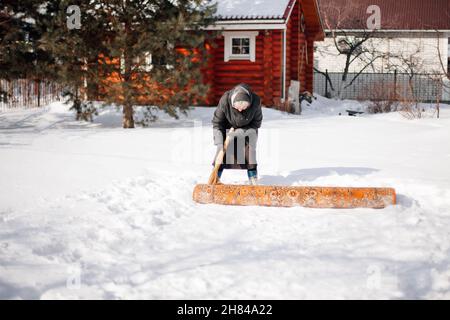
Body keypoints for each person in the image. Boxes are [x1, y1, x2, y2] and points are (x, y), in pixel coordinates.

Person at [212, 83, 263, 185]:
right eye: (237, 106)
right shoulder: (225, 100)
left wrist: (241, 132)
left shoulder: (255, 101)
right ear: (232, 103)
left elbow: (256, 123)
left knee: (250, 153)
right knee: (221, 153)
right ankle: (215, 177)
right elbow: (217, 123)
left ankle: (253, 179)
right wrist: (219, 143)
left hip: (248, 131)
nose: (240, 109)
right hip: (227, 129)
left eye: (244, 106)